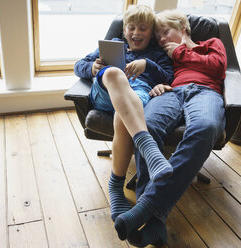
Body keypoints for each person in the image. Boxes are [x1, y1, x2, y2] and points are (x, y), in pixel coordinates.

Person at [113, 10, 227, 247]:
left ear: (183, 28)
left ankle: (147, 207)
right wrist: (158, 85)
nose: (162, 39)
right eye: (158, 35)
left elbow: (217, 68)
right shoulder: (164, 54)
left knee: (205, 128)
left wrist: (181, 51)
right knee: (148, 126)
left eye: (165, 32)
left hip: (205, 92)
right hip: (170, 91)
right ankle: (155, 225)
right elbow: (156, 70)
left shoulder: (211, 43)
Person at [74, 5, 174, 222]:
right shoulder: (114, 46)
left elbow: (169, 77)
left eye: (143, 28)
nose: (136, 33)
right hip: (104, 91)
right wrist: (91, 67)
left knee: (128, 106)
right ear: (124, 30)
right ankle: (148, 147)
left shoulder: (156, 54)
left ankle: (115, 187)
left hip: (137, 93)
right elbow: (78, 65)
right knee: (112, 72)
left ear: (151, 32)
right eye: (131, 27)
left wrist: (147, 65)